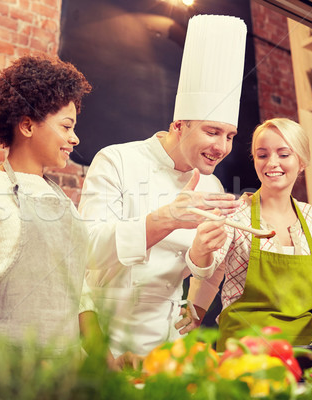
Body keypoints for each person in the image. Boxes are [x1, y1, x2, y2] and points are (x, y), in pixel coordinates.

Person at [0, 54, 137, 369]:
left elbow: (79, 298)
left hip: (62, 382)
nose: (74, 139)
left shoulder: (64, 204)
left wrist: (109, 363)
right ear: (26, 125)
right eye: (66, 127)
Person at [77, 15, 247, 357]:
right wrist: (166, 218)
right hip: (106, 340)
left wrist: (201, 254)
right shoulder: (116, 161)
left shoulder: (211, 186)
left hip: (167, 343)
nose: (222, 147)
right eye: (212, 132)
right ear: (179, 125)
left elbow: (198, 270)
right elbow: (87, 250)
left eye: (230, 136)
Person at [186, 118, 312, 349]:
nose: (271, 163)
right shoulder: (236, 213)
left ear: (301, 162)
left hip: (305, 348)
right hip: (245, 350)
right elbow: (205, 271)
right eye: (263, 155)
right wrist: (200, 246)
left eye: (284, 154)